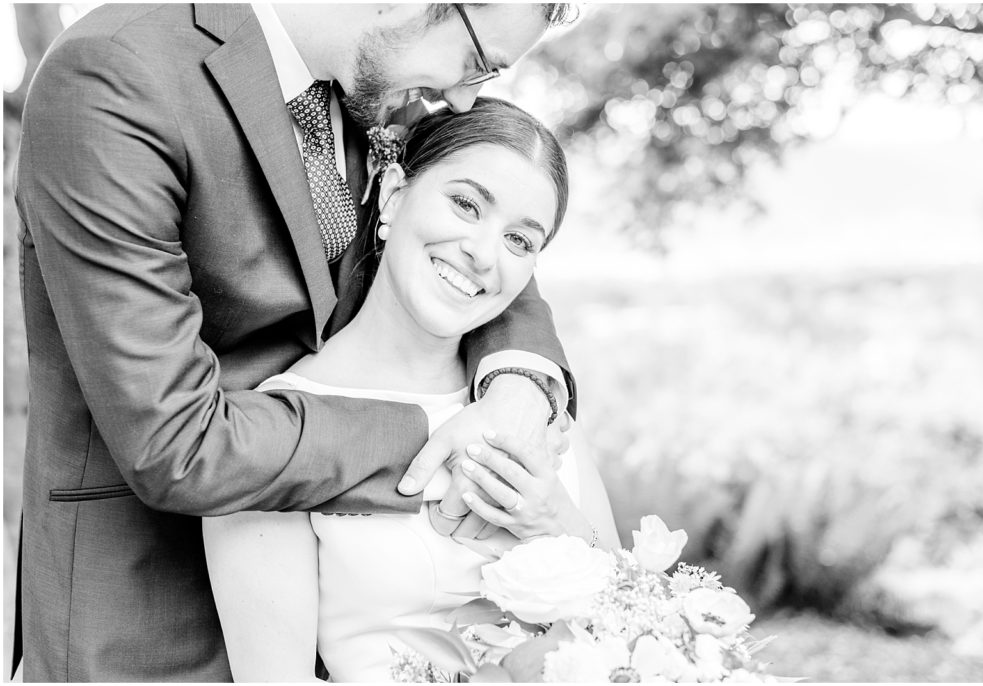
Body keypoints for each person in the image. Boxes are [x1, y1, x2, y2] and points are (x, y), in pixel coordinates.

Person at [13, 4, 576, 682]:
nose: (463, 97)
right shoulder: (116, 71)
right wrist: (444, 428)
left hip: (349, 624)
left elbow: (486, 237)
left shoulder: (379, 82)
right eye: (479, 62)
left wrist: (516, 380)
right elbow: (174, 444)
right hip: (150, 626)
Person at [203, 96, 620, 682]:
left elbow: (637, 630)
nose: (482, 254)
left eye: (520, 241)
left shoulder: (535, 409)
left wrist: (557, 523)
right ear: (395, 194)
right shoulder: (272, 435)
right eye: (466, 204)